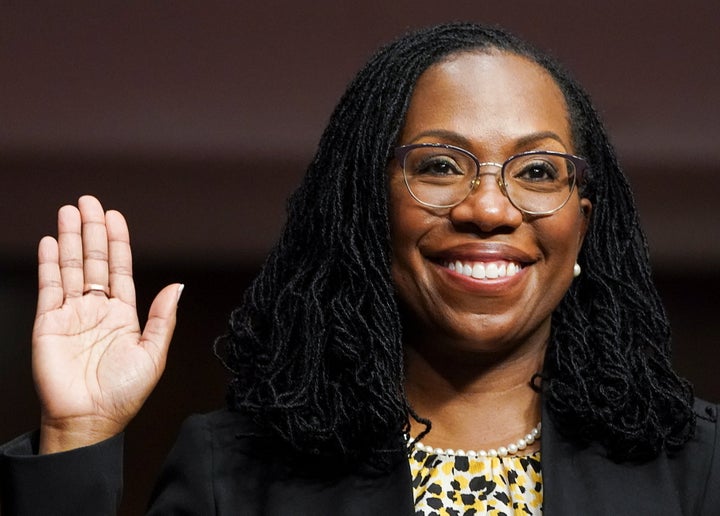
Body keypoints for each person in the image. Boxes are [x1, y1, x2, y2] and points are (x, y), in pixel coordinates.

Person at [1, 22, 718, 515]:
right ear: (363, 210)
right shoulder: (236, 473)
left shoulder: (700, 467)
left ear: (583, 221)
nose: (490, 209)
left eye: (537, 170)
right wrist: (77, 437)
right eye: (439, 166)